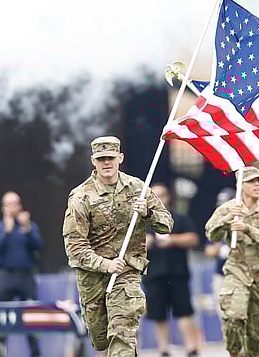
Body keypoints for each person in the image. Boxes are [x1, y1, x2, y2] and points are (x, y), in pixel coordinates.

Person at [62, 136, 173, 356]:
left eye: (110, 158)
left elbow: (167, 224)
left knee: (122, 334)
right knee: (101, 342)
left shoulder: (137, 188)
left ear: (120, 158)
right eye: (101, 158)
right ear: (93, 161)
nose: (106, 163)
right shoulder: (81, 197)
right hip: (92, 277)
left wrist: (148, 214)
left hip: (127, 271)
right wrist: (105, 265)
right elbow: (74, 248)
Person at [205, 166, 259, 357]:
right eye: (251, 182)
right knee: (234, 315)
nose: (257, 185)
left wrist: (247, 228)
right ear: (241, 185)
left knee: (257, 335)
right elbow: (211, 234)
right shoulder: (229, 207)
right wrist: (227, 219)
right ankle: (233, 352)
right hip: (237, 271)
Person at [144, 183, 202, 357]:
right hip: (154, 274)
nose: (160, 199)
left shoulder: (180, 218)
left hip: (177, 273)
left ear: (169, 196)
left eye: (163, 194)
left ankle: (191, 348)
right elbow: (134, 245)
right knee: (158, 314)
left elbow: (193, 239)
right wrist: (149, 241)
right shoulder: (142, 221)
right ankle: (164, 349)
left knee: (184, 311)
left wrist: (173, 241)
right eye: (156, 195)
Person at [0, 190, 44, 357]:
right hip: (6, 276)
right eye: (8, 204)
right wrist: (7, 229)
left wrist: (27, 228)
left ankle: (35, 353)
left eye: (15, 203)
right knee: (2, 318)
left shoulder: (29, 226)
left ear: (20, 205)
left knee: (31, 318)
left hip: (26, 277)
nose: (12, 207)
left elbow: (38, 246)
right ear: (3, 207)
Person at [204, 188, 235, 316]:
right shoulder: (218, 225)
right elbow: (209, 251)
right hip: (221, 273)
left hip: (239, 274)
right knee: (222, 311)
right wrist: (219, 248)